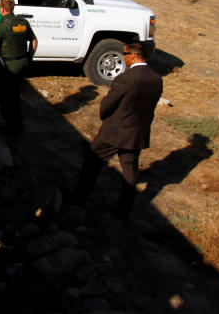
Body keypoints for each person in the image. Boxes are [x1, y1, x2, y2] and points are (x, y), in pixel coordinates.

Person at [65, 41, 163, 220]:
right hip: (136, 133)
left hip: (115, 131)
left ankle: (79, 199)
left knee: (92, 164)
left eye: (125, 54)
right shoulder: (156, 79)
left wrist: (104, 116)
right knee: (130, 171)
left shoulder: (127, 78)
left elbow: (108, 103)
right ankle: (124, 208)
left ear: (133, 56)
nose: (123, 57)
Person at [0, 0, 37, 136]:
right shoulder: (23, 22)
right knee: (15, 94)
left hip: (8, 66)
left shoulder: (1, 26)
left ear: (2, 9)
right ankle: (17, 123)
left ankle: (11, 125)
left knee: (6, 97)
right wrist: (29, 57)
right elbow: (34, 41)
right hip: (22, 63)